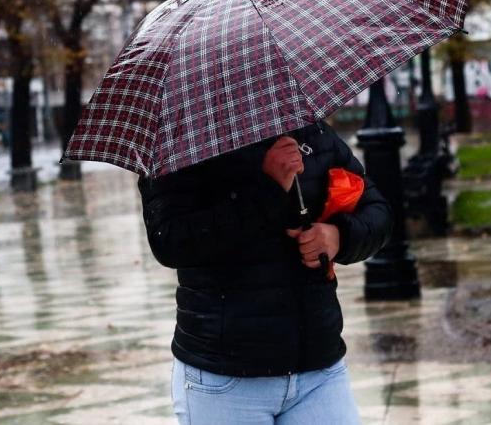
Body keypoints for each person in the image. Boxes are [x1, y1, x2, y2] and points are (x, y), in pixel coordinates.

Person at [138, 121, 393, 424]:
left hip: (319, 369)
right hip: (225, 378)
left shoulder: (312, 133)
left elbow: (378, 211)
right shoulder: (179, 142)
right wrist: (269, 187)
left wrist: (338, 237)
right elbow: (170, 241)